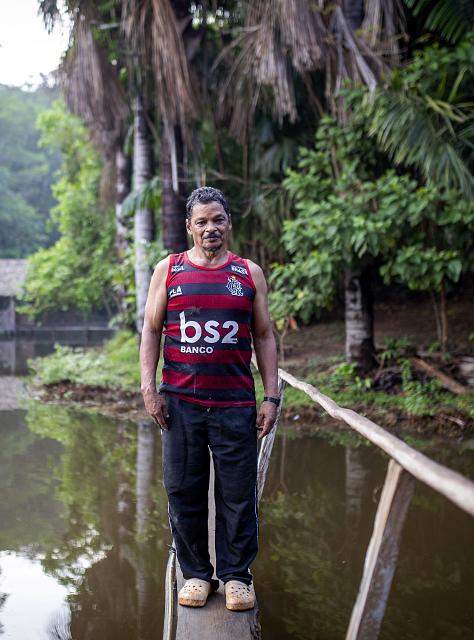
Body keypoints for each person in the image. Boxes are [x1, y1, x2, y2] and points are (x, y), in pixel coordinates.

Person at [139, 186, 279, 612]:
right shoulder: (170, 269)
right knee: (184, 489)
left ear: (228, 222)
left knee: (238, 493)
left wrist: (270, 396)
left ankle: (237, 576)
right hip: (180, 403)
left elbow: (265, 335)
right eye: (201, 221)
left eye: (217, 219)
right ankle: (197, 573)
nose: (210, 228)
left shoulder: (248, 273)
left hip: (236, 403)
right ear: (189, 227)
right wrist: (149, 389)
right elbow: (149, 330)